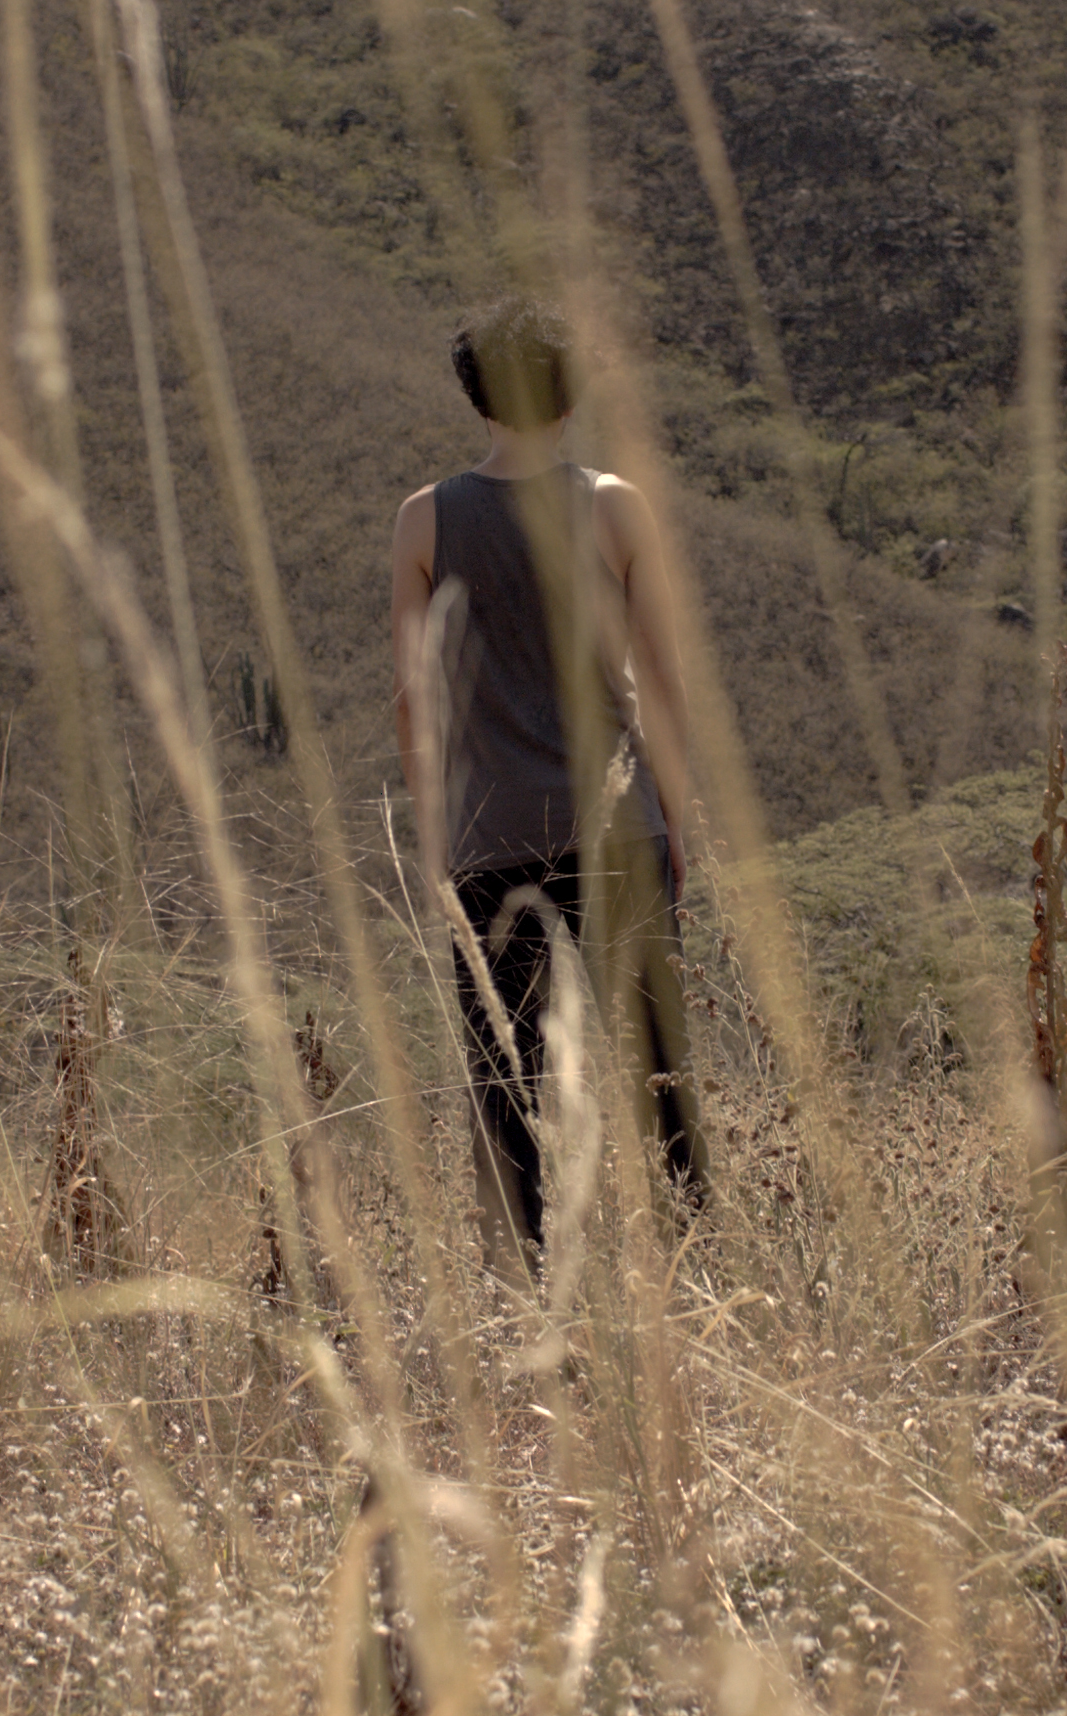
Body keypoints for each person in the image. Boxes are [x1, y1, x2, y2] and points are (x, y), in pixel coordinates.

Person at [389, 300, 707, 1269]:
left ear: (476, 395)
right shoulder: (615, 507)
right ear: (569, 398)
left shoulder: (424, 520)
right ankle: (696, 1276)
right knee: (660, 1075)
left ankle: (522, 1296)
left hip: (487, 838)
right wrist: (677, 820)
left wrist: (438, 844)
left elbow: (414, 705)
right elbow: (663, 680)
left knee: (505, 1087)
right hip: (616, 831)